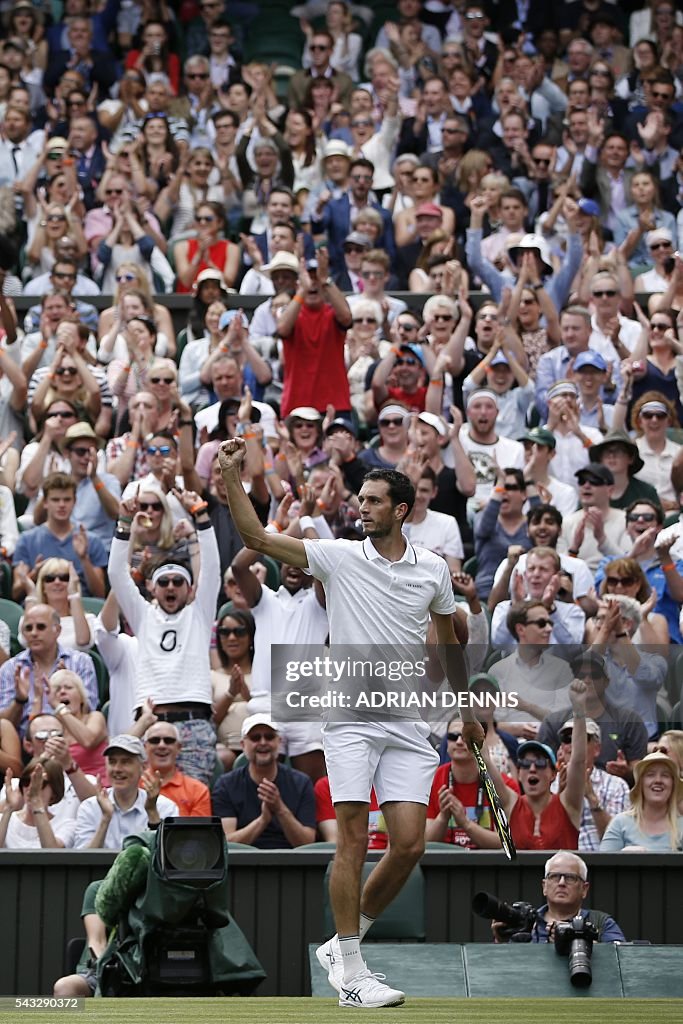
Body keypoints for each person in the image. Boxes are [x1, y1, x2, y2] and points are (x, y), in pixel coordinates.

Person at [218, 439, 483, 1009]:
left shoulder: (433, 570)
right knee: (355, 839)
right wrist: (232, 480)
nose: (361, 508)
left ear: (402, 511)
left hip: (410, 723)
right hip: (351, 719)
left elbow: (448, 644)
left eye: (373, 501)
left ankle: (345, 940)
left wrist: (466, 709)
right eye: (360, 500)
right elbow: (258, 540)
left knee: (409, 845)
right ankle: (354, 971)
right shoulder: (337, 556)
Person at [107, 489, 221, 785]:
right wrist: (124, 523)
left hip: (193, 723)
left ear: (189, 588)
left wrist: (201, 516)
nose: (171, 587)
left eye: (178, 582)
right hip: (151, 723)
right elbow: (116, 574)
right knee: (149, 806)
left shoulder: (199, 614)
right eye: (164, 582)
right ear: (152, 589)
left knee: (192, 810)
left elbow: (212, 569)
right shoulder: (143, 615)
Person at [485, 679, 588, 851]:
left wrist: (579, 711)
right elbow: (485, 762)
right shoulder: (511, 803)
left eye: (540, 763)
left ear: (553, 773)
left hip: (561, 878)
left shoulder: (568, 804)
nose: (532, 768)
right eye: (525, 764)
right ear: (519, 772)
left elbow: (578, 761)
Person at [537, 651, 649, 784]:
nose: (587, 680)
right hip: (563, 790)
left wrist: (627, 773)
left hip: (615, 792)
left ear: (606, 681)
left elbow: (641, 772)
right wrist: (557, 769)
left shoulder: (629, 721)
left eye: (595, 675)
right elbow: (539, 770)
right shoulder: (553, 722)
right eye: (580, 675)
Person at [212, 713, 316, 849]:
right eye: (255, 738)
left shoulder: (301, 783)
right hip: (242, 863)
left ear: (279, 742)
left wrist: (280, 809)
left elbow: (307, 843)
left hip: (292, 861)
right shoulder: (226, 785)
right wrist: (262, 820)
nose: (263, 742)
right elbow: (226, 844)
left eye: (269, 737)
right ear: (243, 745)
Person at [0, 605, 98, 739]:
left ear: (57, 630)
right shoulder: (11, 668)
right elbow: (4, 726)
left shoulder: (80, 662)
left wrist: (69, 693)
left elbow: (89, 713)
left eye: (41, 627)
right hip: (27, 747)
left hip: (72, 741)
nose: (34, 633)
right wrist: (19, 701)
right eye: (28, 628)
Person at [425, 716, 518, 849]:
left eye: (465, 736)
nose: (458, 741)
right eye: (452, 736)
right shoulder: (431, 781)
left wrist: (466, 824)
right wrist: (443, 818)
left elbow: (510, 842)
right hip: (443, 866)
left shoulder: (504, 785)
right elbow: (425, 843)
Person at [493, 851, 625, 943]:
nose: (561, 883)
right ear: (544, 886)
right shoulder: (526, 923)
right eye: (555, 877)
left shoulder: (601, 923)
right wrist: (501, 943)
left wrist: (576, 941)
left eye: (570, 878)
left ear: (584, 889)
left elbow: (621, 958)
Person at [73, 734, 178, 850]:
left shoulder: (165, 807)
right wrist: (105, 819)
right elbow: (83, 861)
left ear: (142, 767)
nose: (117, 769)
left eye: (126, 762)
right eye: (112, 762)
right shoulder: (90, 807)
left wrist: (152, 812)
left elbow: (167, 858)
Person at [552, 717, 630, 852]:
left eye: (581, 739)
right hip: (559, 860)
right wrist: (559, 796)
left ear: (597, 749)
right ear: (561, 748)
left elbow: (618, 840)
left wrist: (592, 798)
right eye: (567, 738)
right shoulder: (550, 782)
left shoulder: (617, 785)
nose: (574, 745)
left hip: (600, 861)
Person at [600, 752, 683, 851]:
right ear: (640, 784)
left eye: (665, 775)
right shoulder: (620, 823)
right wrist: (624, 857)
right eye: (650, 775)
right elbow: (604, 863)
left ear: (673, 785)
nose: (658, 780)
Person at [0, 759, 73, 849]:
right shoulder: (4, 820)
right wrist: (8, 809)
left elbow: (52, 854)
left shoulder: (66, 825)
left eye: (40, 783)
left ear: (54, 791)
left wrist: (36, 803)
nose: (31, 787)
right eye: (26, 781)